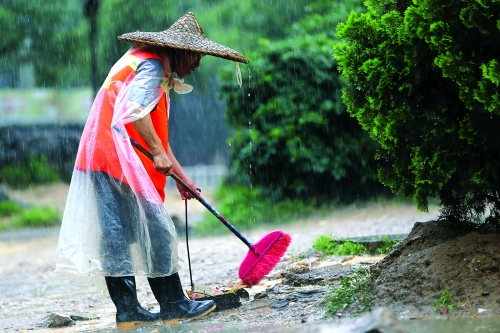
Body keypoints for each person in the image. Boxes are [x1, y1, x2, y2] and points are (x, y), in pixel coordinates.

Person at [55, 12, 248, 328]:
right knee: (155, 231)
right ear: (180, 50)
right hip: (113, 159)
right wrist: (157, 153)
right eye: (197, 54)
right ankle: (172, 305)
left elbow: (154, 131)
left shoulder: (144, 62)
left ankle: (129, 312)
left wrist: (182, 179)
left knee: (117, 236)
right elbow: (133, 112)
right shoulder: (153, 65)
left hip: (103, 158)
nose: (199, 62)